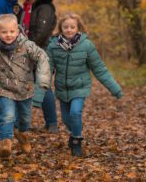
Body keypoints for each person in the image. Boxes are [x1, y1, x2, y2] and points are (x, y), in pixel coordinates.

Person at [47, 12, 123, 157]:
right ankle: (75, 130)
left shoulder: (86, 45)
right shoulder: (53, 46)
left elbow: (99, 69)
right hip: (62, 89)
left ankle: (76, 141)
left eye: (72, 27)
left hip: (80, 87)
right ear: (61, 28)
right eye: (66, 27)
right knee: (65, 119)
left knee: (75, 113)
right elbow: (47, 70)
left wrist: (115, 89)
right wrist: (40, 87)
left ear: (78, 28)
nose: (69, 30)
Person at [0, 14, 50, 158]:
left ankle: (22, 134)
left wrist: (43, 79)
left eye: (12, 31)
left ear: (18, 30)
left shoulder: (27, 45)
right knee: (7, 115)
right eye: (4, 32)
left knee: (25, 118)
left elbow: (42, 57)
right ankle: (6, 142)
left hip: (24, 88)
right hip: (4, 88)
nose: (8, 35)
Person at [21, 0, 58, 133]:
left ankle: (52, 124)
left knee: (43, 85)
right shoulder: (27, 6)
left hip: (40, 51)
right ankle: (23, 122)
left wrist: (29, 48)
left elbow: (41, 32)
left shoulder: (45, 7)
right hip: (28, 49)